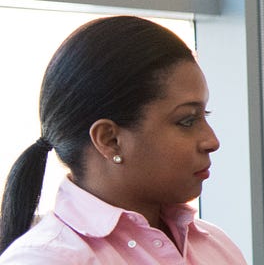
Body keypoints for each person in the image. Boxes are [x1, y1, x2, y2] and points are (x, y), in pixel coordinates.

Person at [0, 16, 246, 263]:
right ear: (110, 140)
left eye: (205, 115)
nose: (212, 141)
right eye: (187, 120)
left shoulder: (215, 245)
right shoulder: (45, 258)